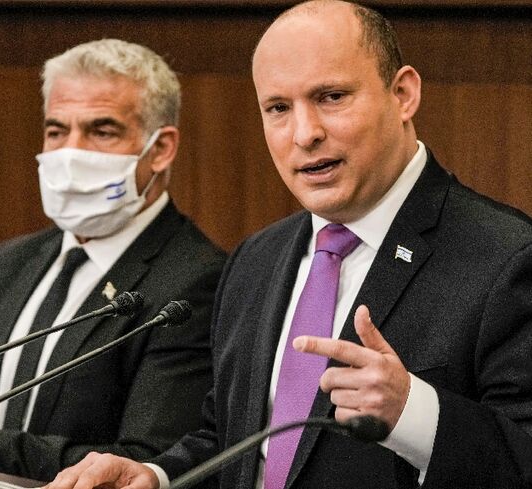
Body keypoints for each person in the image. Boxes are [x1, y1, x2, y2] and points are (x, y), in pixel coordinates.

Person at [45, 2, 532, 489]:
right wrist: (157, 476)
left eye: (332, 97)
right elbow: (232, 440)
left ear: (403, 94)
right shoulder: (257, 259)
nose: (305, 133)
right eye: (278, 108)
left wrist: (416, 414)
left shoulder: (506, 257)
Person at [0, 39, 227, 482]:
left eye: (102, 131)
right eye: (57, 131)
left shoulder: (195, 280)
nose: (70, 154)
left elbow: (142, 460)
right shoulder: (8, 262)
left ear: (161, 149)